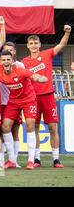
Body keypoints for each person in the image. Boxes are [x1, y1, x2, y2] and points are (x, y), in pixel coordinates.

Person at [21, 25, 71, 168]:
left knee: (52, 127)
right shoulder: (24, 62)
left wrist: (67, 32)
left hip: (48, 96)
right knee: (35, 127)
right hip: (32, 98)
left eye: (36, 43)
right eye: (31, 43)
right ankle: (36, 159)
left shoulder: (47, 54)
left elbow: (62, 44)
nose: (34, 45)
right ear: (27, 46)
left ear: (40, 44)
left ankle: (56, 159)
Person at [0, 51, 49, 170]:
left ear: (12, 61)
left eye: (8, 59)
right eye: (4, 60)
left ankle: (30, 160)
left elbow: (34, 76)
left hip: (29, 100)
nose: (6, 62)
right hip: (13, 102)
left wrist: (41, 78)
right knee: (5, 126)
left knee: (30, 124)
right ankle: (12, 160)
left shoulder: (21, 70)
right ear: (0, 62)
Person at [0, 41, 24, 166]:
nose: (8, 52)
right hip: (1, 103)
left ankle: (15, 160)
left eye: (11, 50)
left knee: (15, 131)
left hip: (16, 103)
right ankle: (3, 159)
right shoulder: (0, 65)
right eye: (6, 50)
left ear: (14, 52)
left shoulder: (20, 66)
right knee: (2, 131)